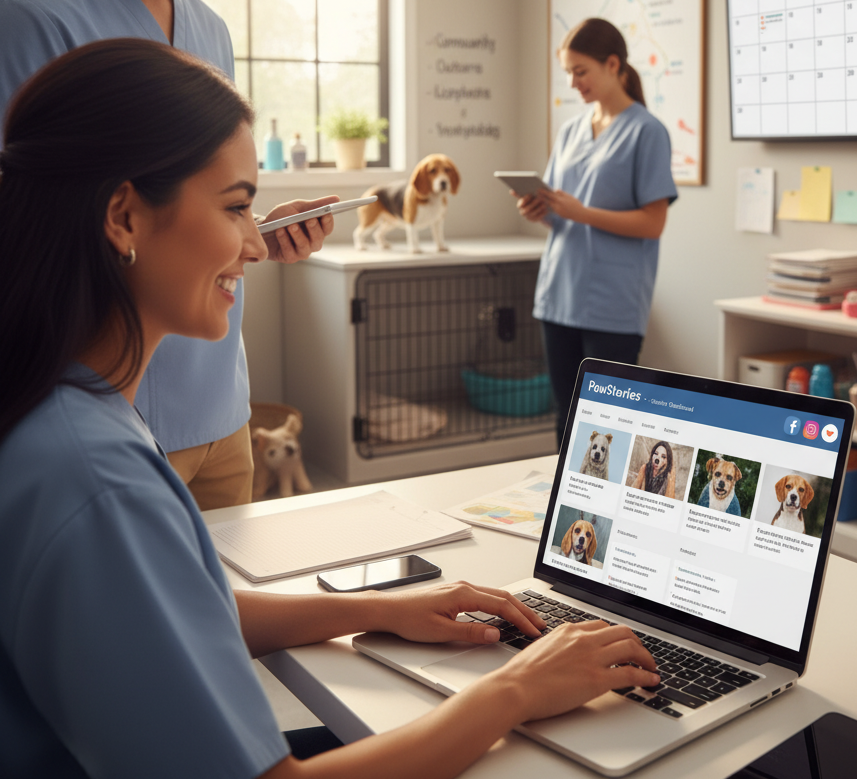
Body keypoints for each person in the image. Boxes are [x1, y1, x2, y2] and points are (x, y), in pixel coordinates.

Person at [0, 39, 660, 778]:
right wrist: (514, 690)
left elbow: (167, 612)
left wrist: (378, 607)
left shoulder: (60, 405)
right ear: (123, 217)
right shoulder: (98, 481)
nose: (256, 243)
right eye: (237, 207)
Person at [0, 0, 340, 509]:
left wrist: (249, 230)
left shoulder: (210, 32)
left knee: (237, 626)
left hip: (222, 414)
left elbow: (181, 200)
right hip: (104, 426)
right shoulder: (28, 25)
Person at [517, 19, 677, 445]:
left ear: (612, 64)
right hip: (559, 296)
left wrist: (582, 212)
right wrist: (540, 210)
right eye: (568, 72)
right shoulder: (571, 130)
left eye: (581, 71)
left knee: (610, 427)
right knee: (565, 421)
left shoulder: (648, 132)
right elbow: (561, 210)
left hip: (613, 304)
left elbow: (653, 221)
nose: (573, 82)